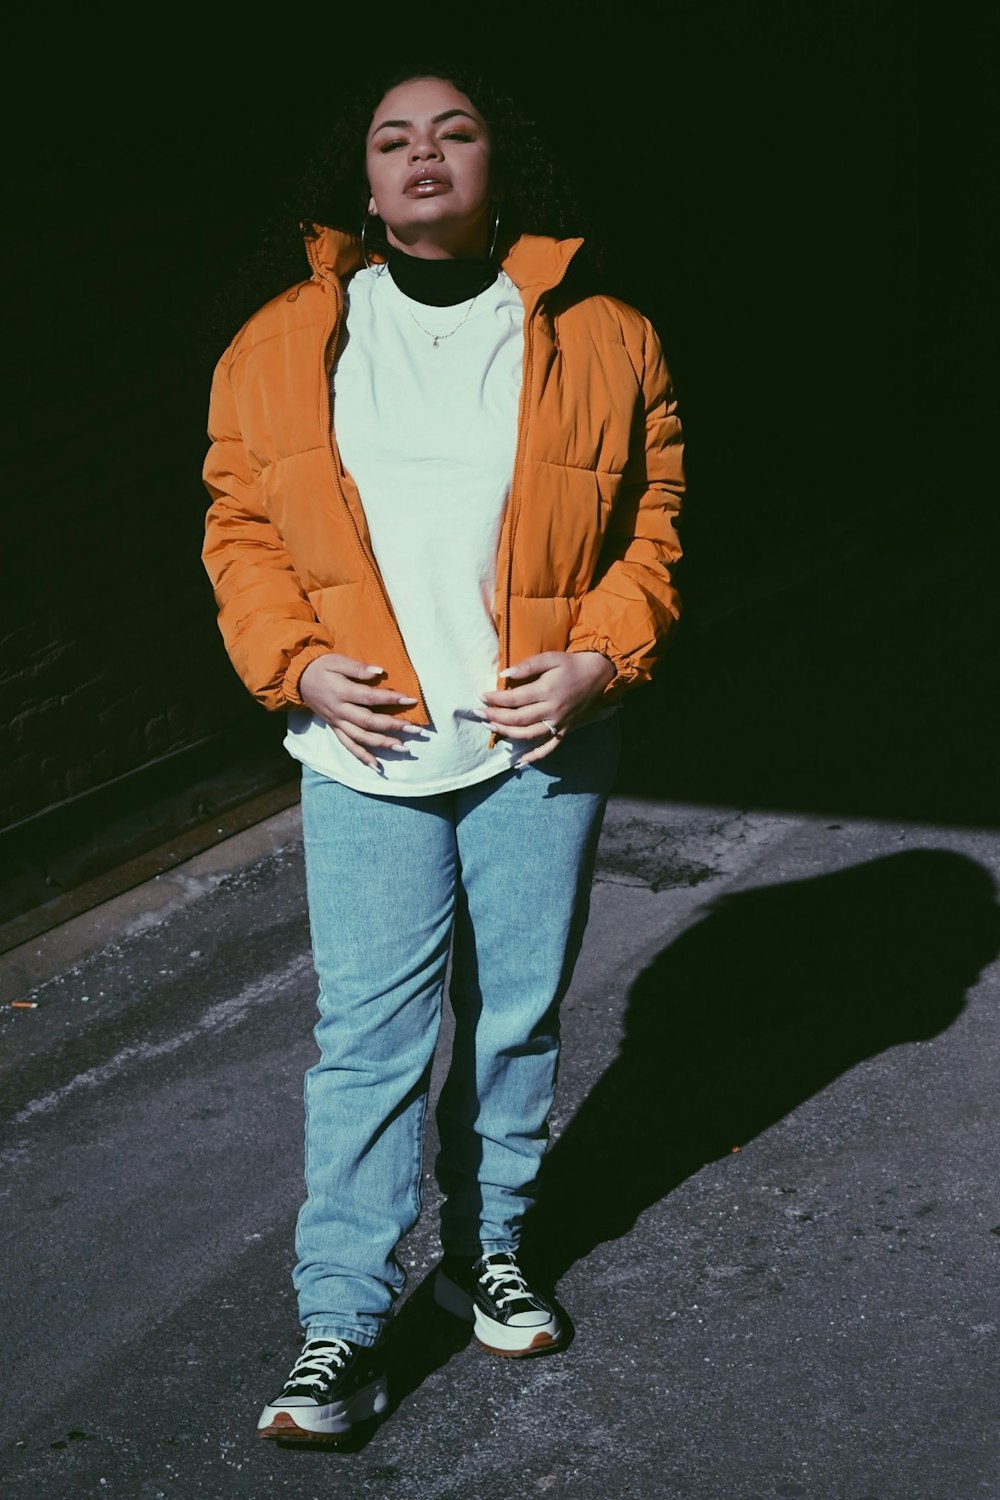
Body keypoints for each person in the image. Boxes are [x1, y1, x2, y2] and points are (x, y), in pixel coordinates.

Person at [202, 61, 684, 1443]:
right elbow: (237, 526)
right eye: (392, 138)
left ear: (497, 164)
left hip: (541, 739)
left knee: (517, 1016)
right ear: (360, 181)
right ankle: (342, 1324)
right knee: (367, 1041)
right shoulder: (281, 342)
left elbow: (655, 514)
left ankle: (493, 1245)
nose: (422, 156)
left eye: (453, 132)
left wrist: (600, 657)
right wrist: (295, 665)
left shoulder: (606, 335)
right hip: (364, 747)